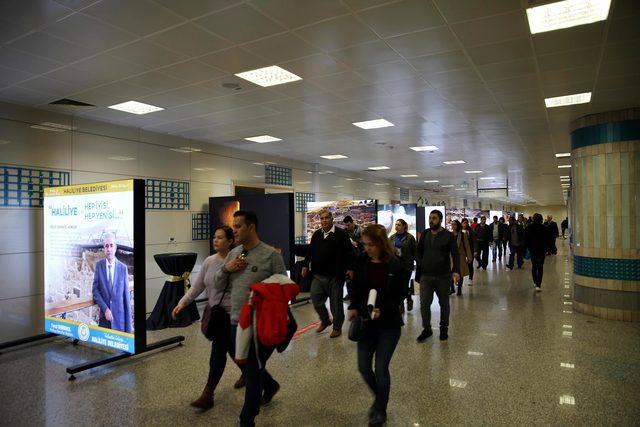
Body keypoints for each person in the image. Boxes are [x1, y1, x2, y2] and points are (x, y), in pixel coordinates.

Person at [213, 211, 287, 427]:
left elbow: (284, 287)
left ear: (251, 227)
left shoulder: (270, 255)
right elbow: (218, 285)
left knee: (252, 371)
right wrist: (227, 268)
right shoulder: (234, 253)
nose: (233, 230)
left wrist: (263, 291)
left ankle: (247, 419)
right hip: (236, 321)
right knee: (247, 365)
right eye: (233, 226)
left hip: (260, 324)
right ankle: (270, 385)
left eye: (238, 226)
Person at [172, 225, 245, 410]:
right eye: (214, 237)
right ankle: (209, 394)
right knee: (224, 353)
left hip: (235, 317)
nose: (215, 240)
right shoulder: (209, 261)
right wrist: (182, 303)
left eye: (220, 238)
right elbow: (197, 287)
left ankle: (209, 394)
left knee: (229, 353)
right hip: (217, 317)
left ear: (230, 241)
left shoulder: (239, 261)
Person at [347, 225, 404, 426]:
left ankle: (380, 408)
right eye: (365, 244)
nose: (367, 248)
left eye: (371, 244)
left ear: (381, 244)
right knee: (363, 367)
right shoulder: (361, 261)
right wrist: (353, 306)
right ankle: (380, 399)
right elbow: (354, 286)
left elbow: (400, 295)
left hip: (389, 325)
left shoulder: (395, 265)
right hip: (366, 323)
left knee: (381, 368)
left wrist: (383, 309)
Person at [302, 209, 355, 338]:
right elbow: (310, 252)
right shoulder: (316, 235)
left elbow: (350, 252)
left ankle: (337, 327)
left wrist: (350, 268)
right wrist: (305, 265)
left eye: (326, 218)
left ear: (332, 219)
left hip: (336, 276)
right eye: (322, 218)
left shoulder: (341, 234)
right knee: (315, 298)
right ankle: (325, 320)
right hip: (319, 275)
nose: (324, 221)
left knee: (335, 304)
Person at [416, 210, 460, 342]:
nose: (431, 220)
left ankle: (443, 328)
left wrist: (456, 270)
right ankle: (427, 329)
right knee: (424, 304)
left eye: (434, 218)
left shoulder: (448, 235)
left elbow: (455, 254)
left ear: (440, 220)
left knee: (444, 304)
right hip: (426, 276)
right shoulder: (425, 234)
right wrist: (421, 263)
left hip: (443, 276)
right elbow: (418, 251)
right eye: (430, 218)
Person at [92, 233, 132, 333]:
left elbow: (126, 299)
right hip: (104, 321)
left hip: (119, 322)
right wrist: (105, 309)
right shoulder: (99, 266)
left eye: (111, 245)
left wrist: (128, 329)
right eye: (106, 246)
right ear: (104, 249)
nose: (109, 249)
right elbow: (95, 290)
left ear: (115, 247)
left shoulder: (123, 268)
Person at [388, 219, 417, 311]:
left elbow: (415, 252)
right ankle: (402, 303)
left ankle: (405, 299)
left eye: (399, 224)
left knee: (404, 286)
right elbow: (388, 251)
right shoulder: (391, 238)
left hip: (407, 265)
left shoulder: (410, 237)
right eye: (396, 224)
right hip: (396, 266)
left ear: (404, 226)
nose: (396, 226)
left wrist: (419, 263)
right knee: (398, 286)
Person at [525, 213, 547, 291]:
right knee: (540, 267)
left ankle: (535, 282)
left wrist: (525, 249)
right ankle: (538, 284)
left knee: (534, 266)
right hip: (541, 250)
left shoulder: (528, 228)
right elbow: (547, 239)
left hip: (533, 249)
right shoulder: (544, 228)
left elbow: (526, 240)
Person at [450, 220, 472, 296]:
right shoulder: (450, 235)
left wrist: (469, 257)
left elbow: (467, 246)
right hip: (451, 257)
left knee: (460, 273)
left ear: (458, 225)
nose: (453, 226)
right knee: (450, 273)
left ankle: (459, 289)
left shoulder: (463, 235)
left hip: (460, 256)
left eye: (454, 224)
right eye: (452, 224)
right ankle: (452, 289)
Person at [461, 218, 476, 284]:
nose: (465, 224)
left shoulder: (471, 231)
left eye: (466, 223)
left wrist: (475, 250)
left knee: (470, 264)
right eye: (464, 223)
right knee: (461, 265)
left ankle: (470, 278)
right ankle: (460, 279)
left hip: (470, 250)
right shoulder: (459, 231)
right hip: (462, 251)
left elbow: (474, 241)